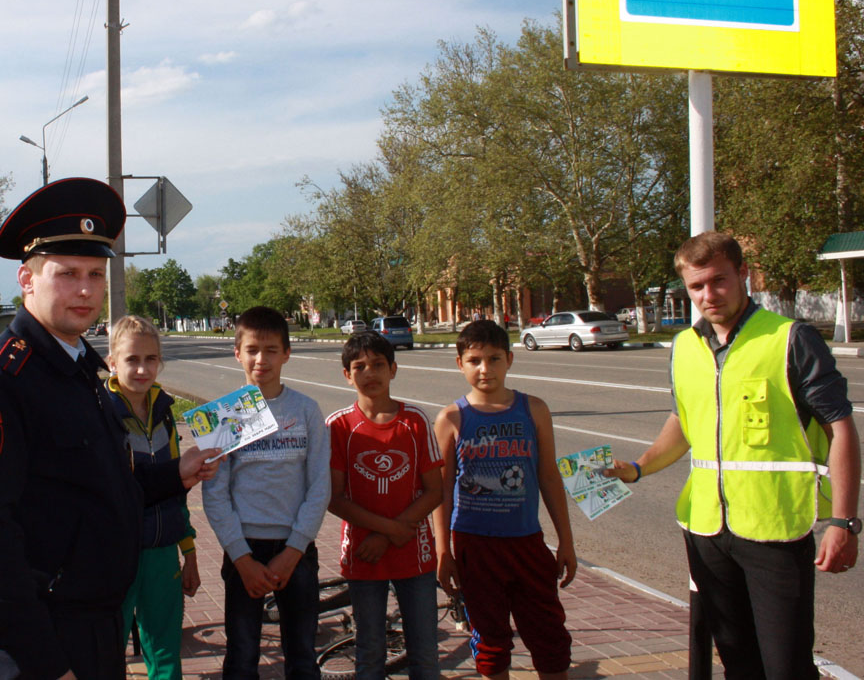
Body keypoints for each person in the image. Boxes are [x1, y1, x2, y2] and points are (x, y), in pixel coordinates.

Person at [0, 177, 219, 680]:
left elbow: (98, 487)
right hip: (49, 637)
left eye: (96, 273)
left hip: (95, 621)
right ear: (27, 279)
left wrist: (175, 473)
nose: (87, 289)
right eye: (67, 273)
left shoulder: (78, 370)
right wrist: (43, 665)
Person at [605, 231, 860, 679]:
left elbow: (840, 429)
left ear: (743, 275)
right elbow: (685, 423)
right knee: (737, 659)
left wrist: (844, 521)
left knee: (787, 665)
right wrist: (640, 467)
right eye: (696, 287)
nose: (708, 295)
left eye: (718, 281)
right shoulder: (685, 346)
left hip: (775, 530)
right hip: (706, 530)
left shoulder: (790, 339)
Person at [433, 320, 575, 680]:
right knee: (491, 641)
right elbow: (441, 489)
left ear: (510, 360)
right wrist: (443, 550)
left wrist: (567, 543)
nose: (485, 369)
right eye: (475, 360)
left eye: (494, 359)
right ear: (460, 364)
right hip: (474, 545)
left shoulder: (534, 409)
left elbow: (548, 477)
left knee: (549, 637)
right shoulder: (451, 418)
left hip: (526, 542)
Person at [201, 305, 331, 680]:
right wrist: (241, 559)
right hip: (244, 550)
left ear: (287, 353)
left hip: (296, 550)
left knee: (303, 655)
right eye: (253, 349)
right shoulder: (226, 415)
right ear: (237, 352)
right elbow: (216, 494)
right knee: (242, 657)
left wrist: (293, 551)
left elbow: (320, 485)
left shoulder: (306, 411)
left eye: (272, 350)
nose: (262, 359)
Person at [326, 331, 444, 680]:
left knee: (424, 652)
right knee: (369, 649)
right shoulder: (339, 426)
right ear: (347, 375)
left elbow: (434, 491)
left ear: (393, 369)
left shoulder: (415, 421)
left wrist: (392, 533)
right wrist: (387, 530)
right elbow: (334, 498)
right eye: (359, 366)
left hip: (415, 554)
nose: (370, 373)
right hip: (364, 554)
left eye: (378, 364)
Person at [105, 314, 199, 680]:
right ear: (113, 363)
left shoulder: (165, 412)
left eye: (150, 359)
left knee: (164, 651)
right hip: (116, 553)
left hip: (162, 551)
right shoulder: (101, 412)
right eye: (131, 359)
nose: (142, 369)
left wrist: (188, 550)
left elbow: (177, 488)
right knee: (108, 654)